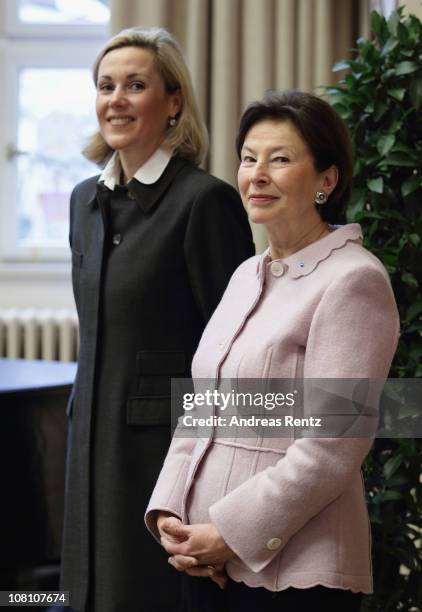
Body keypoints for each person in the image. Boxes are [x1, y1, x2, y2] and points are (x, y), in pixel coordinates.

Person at [145, 90, 400, 612]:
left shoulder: (354, 280)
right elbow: (204, 406)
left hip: (295, 573)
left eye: (280, 159)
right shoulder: (247, 273)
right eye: (247, 158)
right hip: (204, 556)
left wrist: (230, 535)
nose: (256, 174)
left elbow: (331, 448)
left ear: (327, 179)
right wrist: (170, 513)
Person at [60, 26, 254, 612]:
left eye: (135, 85)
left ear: (173, 102)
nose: (115, 99)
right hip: (89, 446)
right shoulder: (82, 201)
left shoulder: (205, 202)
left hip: (168, 463)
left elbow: (237, 360)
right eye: (105, 85)